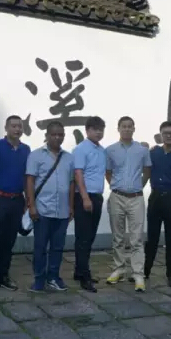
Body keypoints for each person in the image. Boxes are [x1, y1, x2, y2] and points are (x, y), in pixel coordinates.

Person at [0, 116, 31, 298]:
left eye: (20, 126)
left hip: (17, 200)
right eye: (14, 126)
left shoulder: (26, 149)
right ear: (6, 127)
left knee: (9, 241)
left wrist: (28, 200)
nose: (17, 129)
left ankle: (3, 276)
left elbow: (26, 177)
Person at [25, 121, 75, 292]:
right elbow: (30, 181)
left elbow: (71, 183)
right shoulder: (36, 155)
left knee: (57, 247)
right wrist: (31, 206)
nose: (57, 137)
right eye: (53, 134)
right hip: (42, 209)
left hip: (62, 210)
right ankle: (39, 279)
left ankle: (53, 277)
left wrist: (71, 206)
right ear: (46, 136)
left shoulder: (69, 158)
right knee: (40, 247)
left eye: (60, 134)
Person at [105, 117, 152, 292]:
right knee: (118, 236)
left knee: (136, 238)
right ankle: (119, 268)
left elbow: (147, 170)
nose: (126, 129)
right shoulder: (110, 150)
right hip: (117, 196)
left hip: (136, 198)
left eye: (129, 126)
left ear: (134, 129)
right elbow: (108, 172)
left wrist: (139, 185)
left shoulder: (142, 150)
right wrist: (116, 186)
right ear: (118, 129)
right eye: (123, 126)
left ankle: (137, 273)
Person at [144, 121, 171, 288]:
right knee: (152, 238)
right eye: (165, 133)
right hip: (155, 197)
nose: (168, 136)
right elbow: (145, 171)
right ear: (161, 135)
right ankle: (145, 271)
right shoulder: (153, 153)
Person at [72, 117, 106, 293]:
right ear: (87, 130)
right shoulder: (81, 149)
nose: (99, 132)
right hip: (84, 196)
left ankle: (80, 271)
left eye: (101, 129)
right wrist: (85, 198)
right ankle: (84, 277)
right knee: (83, 237)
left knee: (90, 236)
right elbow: (78, 174)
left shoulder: (102, 150)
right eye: (95, 129)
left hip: (97, 196)